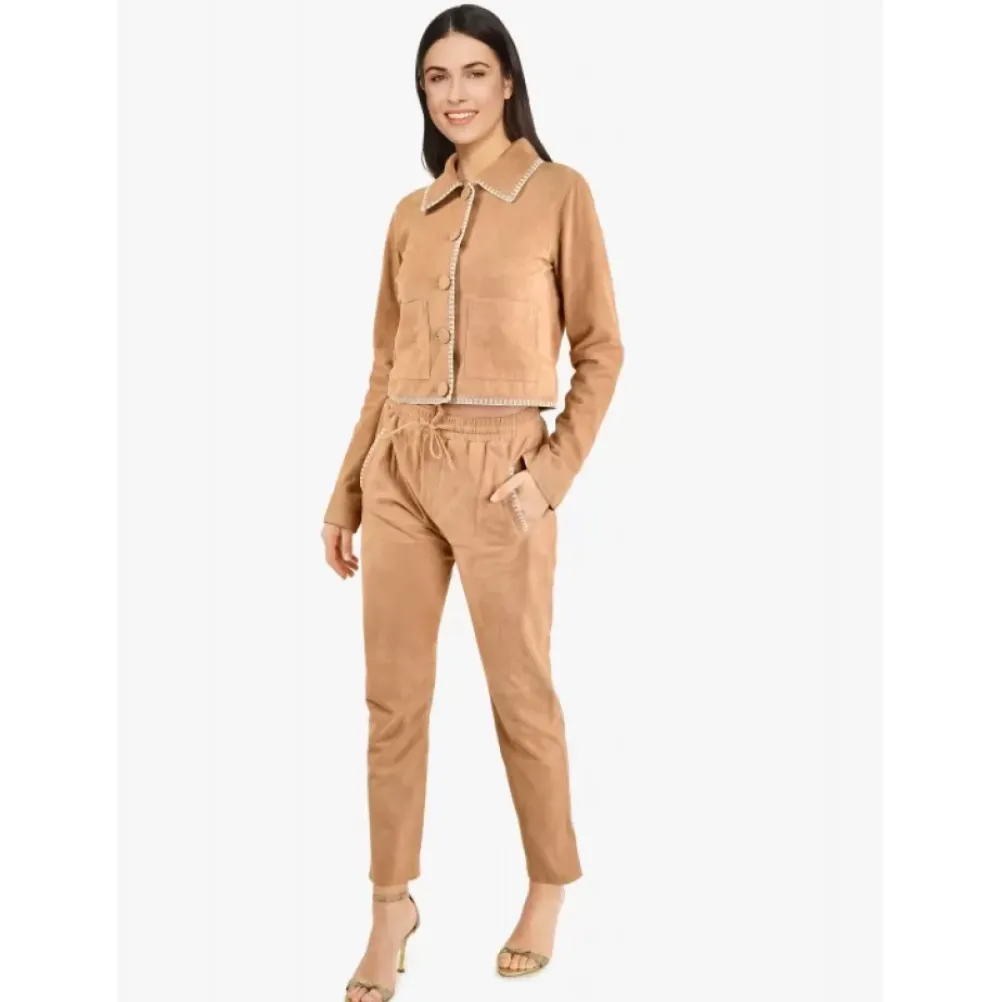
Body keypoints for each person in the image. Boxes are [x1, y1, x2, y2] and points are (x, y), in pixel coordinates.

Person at [321, 6, 624, 1000]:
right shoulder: (409, 214)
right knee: (391, 701)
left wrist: (547, 478)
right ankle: (389, 906)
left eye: (473, 72)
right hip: (398, 469)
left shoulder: (559, 193)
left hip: (503, 472)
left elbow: (601, 349)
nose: (454, 93)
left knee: (519, 690)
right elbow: (383, 365)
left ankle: (547, 884)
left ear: (507, 83)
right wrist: (346, 490)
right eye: (435, 76)